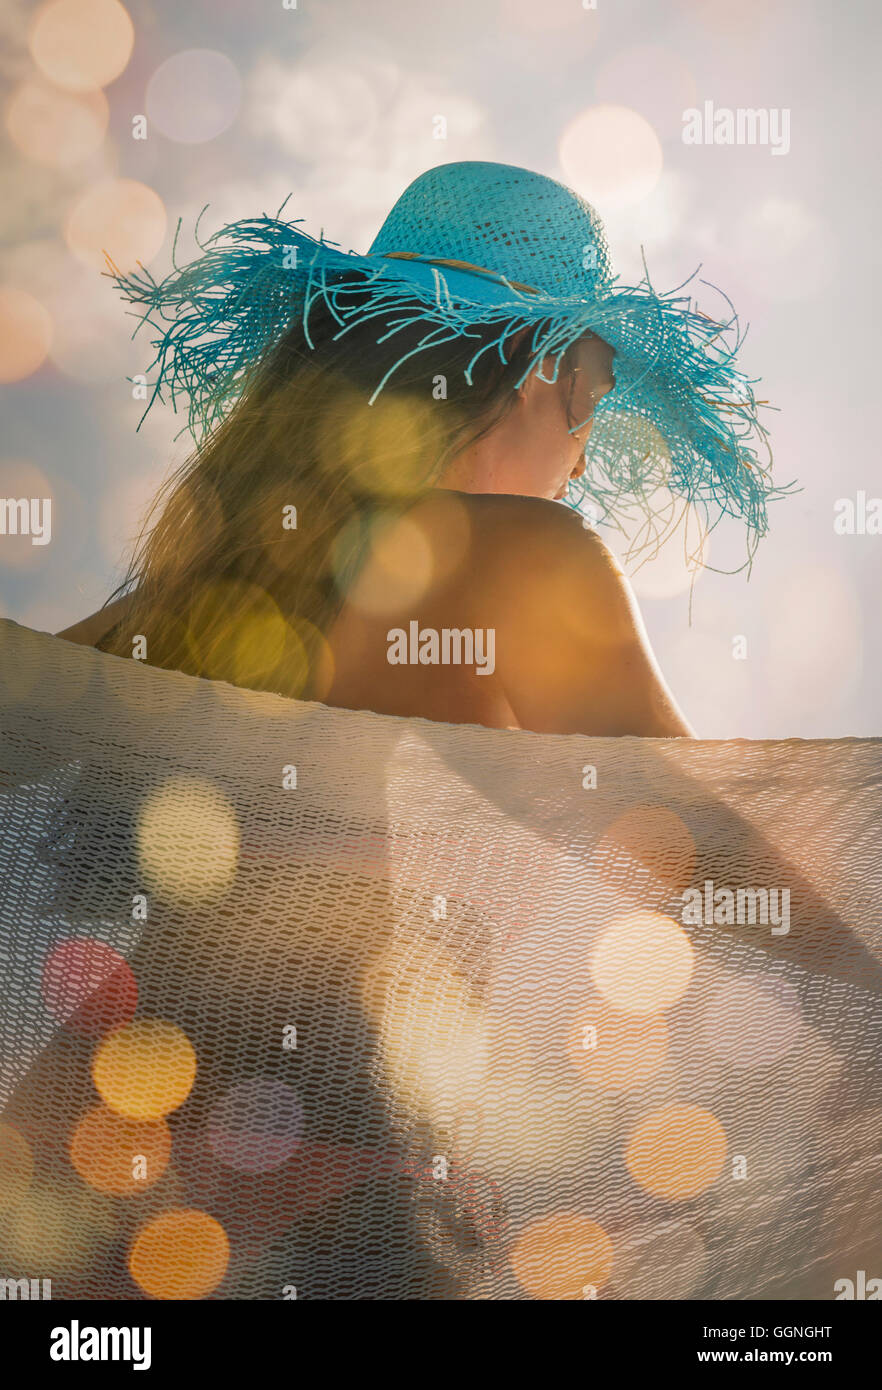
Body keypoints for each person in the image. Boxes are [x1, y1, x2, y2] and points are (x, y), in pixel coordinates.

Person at [58, 161, 788, 736]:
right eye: (591, 404)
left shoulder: (161, 617)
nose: (581, 467)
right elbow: (696, 845)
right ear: (544, 368)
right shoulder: (523, 556)